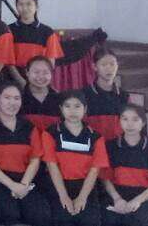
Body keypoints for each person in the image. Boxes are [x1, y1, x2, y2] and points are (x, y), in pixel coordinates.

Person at [0, 81, 52, 226]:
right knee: (10, 214)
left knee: (42, 216)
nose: (12, 103)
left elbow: (35, 159)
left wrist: (23, 185)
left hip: (24, 179)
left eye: (17, 98)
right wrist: (12, 186)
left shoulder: (29, 126)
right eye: (7, 98)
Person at [41, 91, 108, 226]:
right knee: (61, 220)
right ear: (61, 109)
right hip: (58, 185)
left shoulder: (96, 137)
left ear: (85, 109)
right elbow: (52, 166)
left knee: (90, 221)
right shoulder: (50, 133)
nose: (72, 111)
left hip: (85, 186)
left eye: (77, 106)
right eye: (67, 106)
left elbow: (94, 170)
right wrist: (63, 196)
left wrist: (82, 197)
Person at [101, 105, 148, 226]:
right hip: (117, 193)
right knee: (109, 219)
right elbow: (105, 178)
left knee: (136, 220)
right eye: (125, 119)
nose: (129, 124)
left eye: (135, 119)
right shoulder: (110, 146)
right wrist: (117, 199)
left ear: (143, 123)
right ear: (119, 121)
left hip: (144, 194)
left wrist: (137, 201)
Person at [7, 0, 63, 84]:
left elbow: (50, 63)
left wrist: (39, 78)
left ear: (36, 6)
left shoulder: (47, 32)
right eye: (20, 4)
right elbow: (7, 60)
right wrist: (20, 80)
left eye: (29, 4)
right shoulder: (8, 30)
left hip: (39, 78)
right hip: (13, 78)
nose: (24, 8)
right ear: (16, 6)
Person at [81, 48, 127, 141]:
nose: (109, 68)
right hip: (93, 145)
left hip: (117, 146)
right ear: (94, 67)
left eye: (112, 64)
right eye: (104, 64)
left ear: (117, 66)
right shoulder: (84, 94)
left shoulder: (124, 96)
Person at [22, 55, 65, 130]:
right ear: (27, 73)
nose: (40, 76)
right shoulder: (18, 97)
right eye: (36, 72)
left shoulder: (60, 99)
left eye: (45, 72)